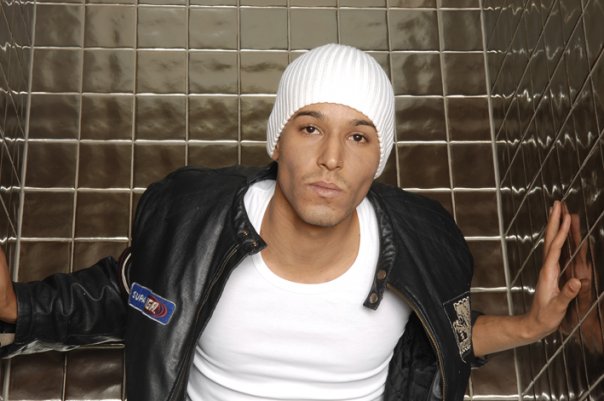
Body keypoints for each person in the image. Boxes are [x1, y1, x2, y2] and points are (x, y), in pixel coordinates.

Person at [0, 43, 581, 401]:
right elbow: (136, 294)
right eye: (310, 128)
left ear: (379, 159)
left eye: (359, 137)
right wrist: (17, 307)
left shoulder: (426, 244)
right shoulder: (192, 221)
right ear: (277, 141)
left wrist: (533, 325)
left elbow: (440, 337)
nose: (332, 158)